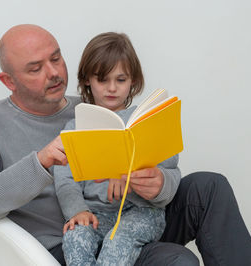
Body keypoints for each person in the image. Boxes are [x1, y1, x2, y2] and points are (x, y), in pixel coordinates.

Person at [0, 24, 251, 266]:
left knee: (210, 186)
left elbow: (161, 166)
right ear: (9, 81)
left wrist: (160, 184)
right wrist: (40, 163)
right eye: (35, 68)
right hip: (70, 243)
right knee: (180, 261)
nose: (54, 73)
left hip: (135, 217)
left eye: (56, 58)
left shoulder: (97, 108)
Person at [54, 32, 171, 265]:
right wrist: (77, 212)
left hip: (141, 213)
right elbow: (65, 180)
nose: (112, 88)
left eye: (120, 80)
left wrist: (124, 172)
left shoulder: (144, 120)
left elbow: (167, 162)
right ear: (87, 79)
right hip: (96, 215)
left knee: (118, 241)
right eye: (102, 79)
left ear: (133, 82)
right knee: (75, 237)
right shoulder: (75, 127)